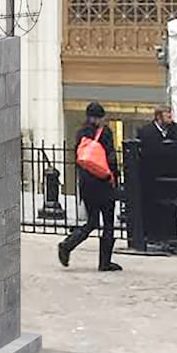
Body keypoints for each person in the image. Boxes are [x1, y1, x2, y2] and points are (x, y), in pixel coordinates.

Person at [58, 101, 122, 273]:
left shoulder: (81, 133)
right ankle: (105, 262)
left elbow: (79, 158)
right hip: (104, 183)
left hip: (87, 184)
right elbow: (110, 158)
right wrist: (115, 178)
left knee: (92, 221)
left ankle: (67, 245)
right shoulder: (105, 132)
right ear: (101, 117)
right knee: (108, 223)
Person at [137, 105, 177, 247]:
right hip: (154, 179)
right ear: (158, 117)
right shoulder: (146, 132)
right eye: (167, 115)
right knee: (155, 208)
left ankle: (173, 237)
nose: (171, 118)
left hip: (175, 177)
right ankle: (155, 236)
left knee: (173, 207)